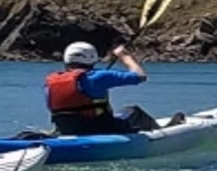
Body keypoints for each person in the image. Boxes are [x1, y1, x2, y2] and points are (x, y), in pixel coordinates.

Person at [44, 41, 181, 136]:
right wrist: (124, 56)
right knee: (133, 111)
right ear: (92, 57)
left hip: (66, 129)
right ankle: (163, 133)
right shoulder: (100, 76)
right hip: (100, 129)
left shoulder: (51, 81)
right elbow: (140, 76)